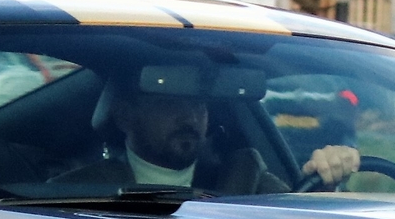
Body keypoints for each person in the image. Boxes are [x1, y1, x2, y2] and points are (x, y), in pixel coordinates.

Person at [58, 66, 360, 196]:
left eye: (198, 104)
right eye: (168, 104)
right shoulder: (77, 192)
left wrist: (324, 185)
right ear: (125, 116)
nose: (188, 116)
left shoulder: (246, 181)